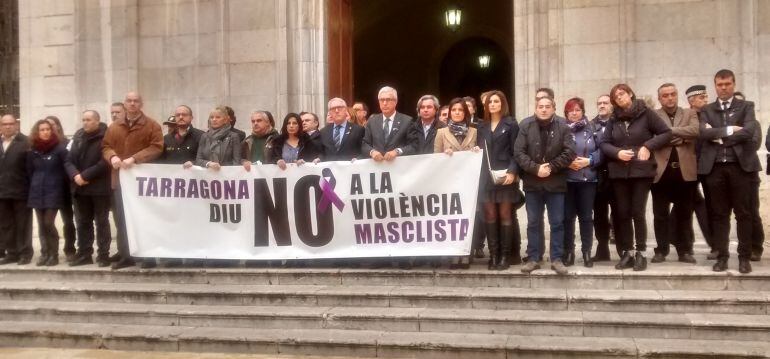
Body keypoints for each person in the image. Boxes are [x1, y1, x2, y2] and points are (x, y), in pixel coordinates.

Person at [599, 84, 672, 271]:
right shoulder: (613, 119)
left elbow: (666, 133)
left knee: (637, 212)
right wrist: (617, 153)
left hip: (641, 171)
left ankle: (641, 253)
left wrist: (648, 146)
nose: (619, 98)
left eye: (622, 94)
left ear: (630, 93)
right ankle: (628, 253)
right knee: (622, 213)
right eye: (616, 97)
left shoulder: (646, 114)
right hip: (619, 172)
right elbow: (604, 143)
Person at [698, 69, 762, 274]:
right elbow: (704, 132)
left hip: (739, 167)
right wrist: (730, 130)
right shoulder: (707, 109)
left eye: (727, 84)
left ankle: (744, 257)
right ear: (715, 86)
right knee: (719, 214)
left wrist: (719, 137)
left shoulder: (746, 106)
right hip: (715, 168)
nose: (723, 88)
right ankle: (722, 257)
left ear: (733, 84)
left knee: (744, 213)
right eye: (719, 84)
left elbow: (749, 131)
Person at [102, 91, 164, 270]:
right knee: (121, 219)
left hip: (142, 182)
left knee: (145, 219)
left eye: (136, 101)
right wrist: (112, 157)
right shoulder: (114, 127)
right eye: (129, 101)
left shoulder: (152, 125)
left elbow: (157, 147)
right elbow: (106, 146)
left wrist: (135, 158)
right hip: (120, 181)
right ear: (125, 104)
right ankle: (125, 255)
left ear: (141, 103)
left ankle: (148, 256)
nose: (132, 104)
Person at [515, 96, 575, 275]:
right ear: (535, 108)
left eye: (547, 106)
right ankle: (534, 258)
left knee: (557, 222)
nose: (543, 109)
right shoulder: (526, 125)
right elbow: (518, 152)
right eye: (540, 106)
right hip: (533, 183)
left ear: (553, 108)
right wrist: (535, 169)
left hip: (555, 183)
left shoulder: (563, 125)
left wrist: (551, 167)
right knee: (533, 222)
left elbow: (570, 151)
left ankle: (556, 258)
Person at [651, 84, 699, 264]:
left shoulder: (689, 113)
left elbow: (695, 130)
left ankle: (684, 250)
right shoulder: (653, 115)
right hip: (661, 172)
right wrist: (682, 137)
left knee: (685, 214)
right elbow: (651, 136)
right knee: (660, 214)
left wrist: (668, 133)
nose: (669, 98)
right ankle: (661, 250)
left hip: (684, 171)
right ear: (660, 98)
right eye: (665, 95)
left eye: (673, 94)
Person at [477, 90, 522, 270]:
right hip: (486, 178)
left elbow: (516, 151)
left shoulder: (511, 124)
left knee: (505, 215)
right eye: (490, 102)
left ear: (502, 104)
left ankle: (505, 256)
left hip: (505, 177)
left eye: (496, 101)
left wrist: (512, 172)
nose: (493, 104)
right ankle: (493, 255)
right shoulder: (482, 127)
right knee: (489, 216)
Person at [434, 98, 479, 269]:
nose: (457, 113)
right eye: (454, 110)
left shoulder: (474, 132)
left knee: (467, 217)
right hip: (449, 182)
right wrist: (444, 155)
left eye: (461, 110)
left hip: (469, 182)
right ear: (450, 113)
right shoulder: (441, 133)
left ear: (465, 113)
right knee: (452, 218)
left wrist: (475, 151)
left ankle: (466, 253)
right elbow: (434, 157)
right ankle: (454, 253)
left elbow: (481, 152)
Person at [64, 110, 112, 267]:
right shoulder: (78, 137)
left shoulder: (106, 137)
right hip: (80, 188)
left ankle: (103, 254)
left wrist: (85, 176)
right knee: (83, 222)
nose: (85, 122)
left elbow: (105, 162)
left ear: (97, 121)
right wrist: (75, 175)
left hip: (99, 188)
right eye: (83, 119)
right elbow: (68, 160)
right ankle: (84, 253)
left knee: (101, 222)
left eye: (89, 120)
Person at [563, 97, 602, 268]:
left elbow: (603, 149)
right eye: (571, 110)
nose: (574, 113)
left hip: (588, 180)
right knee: (567, 218)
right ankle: (569, 252)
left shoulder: (593, 128)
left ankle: (586, 252)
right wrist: (566, 162)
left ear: (583, 111)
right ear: (566, 113)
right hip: (566, 181)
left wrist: (590, 160)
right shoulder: (560, 129)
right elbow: (552, 151)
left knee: (586, 218)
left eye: (577, 110)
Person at [27, 119, 69, 266]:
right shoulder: (33, 150)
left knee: (48, 222)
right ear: (37, 132)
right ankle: (45, 253)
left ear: (52, 131)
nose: (45, 132)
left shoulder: (60, 149)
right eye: (42, 130)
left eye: (47, 129)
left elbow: (66, 170)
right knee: (41, 224)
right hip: (37, 191)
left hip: (54, 191)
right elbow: (29, 171)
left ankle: (54, 254)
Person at [685, 85, 716, 259]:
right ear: (692, 100)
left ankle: (714, 245)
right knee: (689, 205)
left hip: (710, 166)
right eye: (701, 97)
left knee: (708, 205)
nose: (705, 100)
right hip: (691, 167)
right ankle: (687, 245)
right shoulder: (686, 116)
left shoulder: (711, 114)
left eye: (705, 97)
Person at [0, 114, 33, 265]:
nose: (8, 126)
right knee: (6, 224)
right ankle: (11, 253)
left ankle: (25, 253)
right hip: (2, 192)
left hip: (21, 191)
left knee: (23, 224)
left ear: (16, 125)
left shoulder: (25, 142)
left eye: (11, 124)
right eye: (4, 124)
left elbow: (31, 168)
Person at [44, 116, 78, 262]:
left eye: (52, 125)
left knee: (68, 221)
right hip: (49, 189)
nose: (50, 129)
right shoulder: (44, 144)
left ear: (58, 126)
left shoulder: (68, 143)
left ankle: (70, 249)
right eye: (47, 126)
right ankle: (48, 250)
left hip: (65, 188)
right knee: (46, 222)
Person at [591, 94, 616, 262]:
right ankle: (602, 248)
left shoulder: (620, 123)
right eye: (599, 103)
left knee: (620, 213)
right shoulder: (590, 125)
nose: (602, 106)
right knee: (599, 214)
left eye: (605, 103)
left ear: (612, 105)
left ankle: (623, 249)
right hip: (598, 175)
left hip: (616, 175)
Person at [362, 86, 414, 163]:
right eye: (382, 100)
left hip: (399, 167)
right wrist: (372, 152)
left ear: (396, 101)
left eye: (388, 100)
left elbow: (413, 146)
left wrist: (397, 151)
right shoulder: (372, 121)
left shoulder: (407, 121)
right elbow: (365, 144)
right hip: (378, 167)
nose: (385, 103)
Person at [318, 98, 365, 162]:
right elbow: (322, 152)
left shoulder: (358, 130)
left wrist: (358, 159)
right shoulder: (323, 132)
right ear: (330, 112)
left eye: (340, 107)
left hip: (351, 169)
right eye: (333, 109)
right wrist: (319, 159)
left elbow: (364, 151)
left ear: (345, 110)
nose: (337, 111)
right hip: (331, 170)